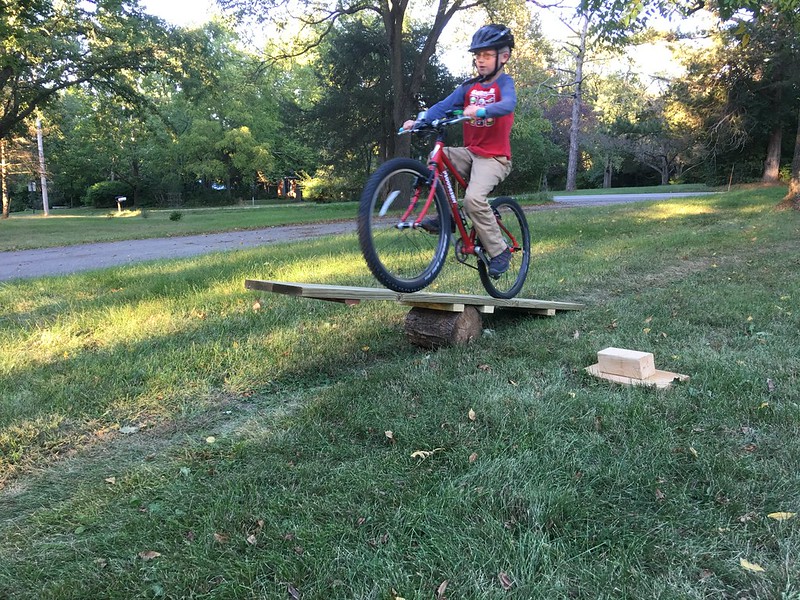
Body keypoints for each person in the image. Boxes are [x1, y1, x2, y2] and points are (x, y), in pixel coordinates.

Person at [403, 24, 517, 277]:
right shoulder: (469, 87)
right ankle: (449, 217)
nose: (480, 60)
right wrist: (420, 121)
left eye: (487, 55)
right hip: (471, 153)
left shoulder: (504, 84)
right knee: (437, 158)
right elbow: (443, 106)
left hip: (494, 158)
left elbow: (508, 104)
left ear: (504, 57)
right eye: (477, 56)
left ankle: (500, 251)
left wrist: (483, 110)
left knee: (474, 200)